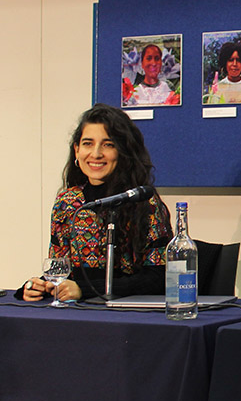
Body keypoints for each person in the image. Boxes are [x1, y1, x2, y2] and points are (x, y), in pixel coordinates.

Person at [18, 103, 172, 301]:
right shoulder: (67, 202)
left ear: (123, 151)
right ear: (76, 150)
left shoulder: (145, 202)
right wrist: (35, 286)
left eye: (108, 144)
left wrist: (85, 290)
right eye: (88, 144)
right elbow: (61, 270)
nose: (96, 154)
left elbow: (159, 279)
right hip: (78, 313)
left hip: (129, 315)